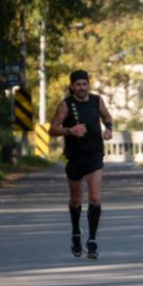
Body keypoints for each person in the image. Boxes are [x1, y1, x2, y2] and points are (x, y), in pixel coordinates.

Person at [49, 70, 113, 259]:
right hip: (74, 157)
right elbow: (52, 129)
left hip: (94, 155)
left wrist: (109, 129)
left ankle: (92, 240)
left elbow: (107, 117)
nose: (82, 88)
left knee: (94, 197)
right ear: (72, 86)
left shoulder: (97, 100)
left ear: (88, 85)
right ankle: (76, 233)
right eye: (78, 84)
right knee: (76, 199)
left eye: (84, 84)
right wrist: (70, 130)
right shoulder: (66, 105)